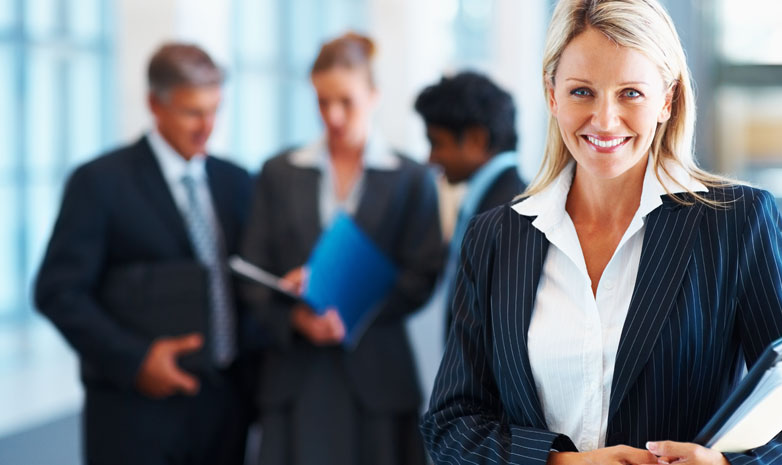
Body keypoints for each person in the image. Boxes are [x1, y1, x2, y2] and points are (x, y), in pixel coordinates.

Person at [420, 1, 782, 464]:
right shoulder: (495, 239)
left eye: (630, 93)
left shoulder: (736, 223)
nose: (605, 120)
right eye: (582, 92)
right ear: (552, 95)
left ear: (667, 99)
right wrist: (561, 462)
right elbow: (451, 423)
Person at [34, 43, 262, 465]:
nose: (207, 127)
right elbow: (57, 292)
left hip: (226, 406)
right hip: (135, 414)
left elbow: (246, 280)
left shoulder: (235, 182)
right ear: (154, 105)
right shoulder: (99, 183)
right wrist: (136, 361)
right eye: (193, 112)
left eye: (215, 110)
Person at [239, 32, 443, 465]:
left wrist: (353, 303)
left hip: (377, 378)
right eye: (322, 101)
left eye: (345, 101)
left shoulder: (411, 178)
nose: (332, 115)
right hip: (295, 374)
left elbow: (423, 273)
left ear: (374, 96)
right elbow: (252, 269)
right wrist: (293, 314)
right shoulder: (279, 172)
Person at [414, 71, 527, 333]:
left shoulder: (508, 215)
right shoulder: (491, 203)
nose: (430, 158)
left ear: (477, 139)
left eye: (436, 143)